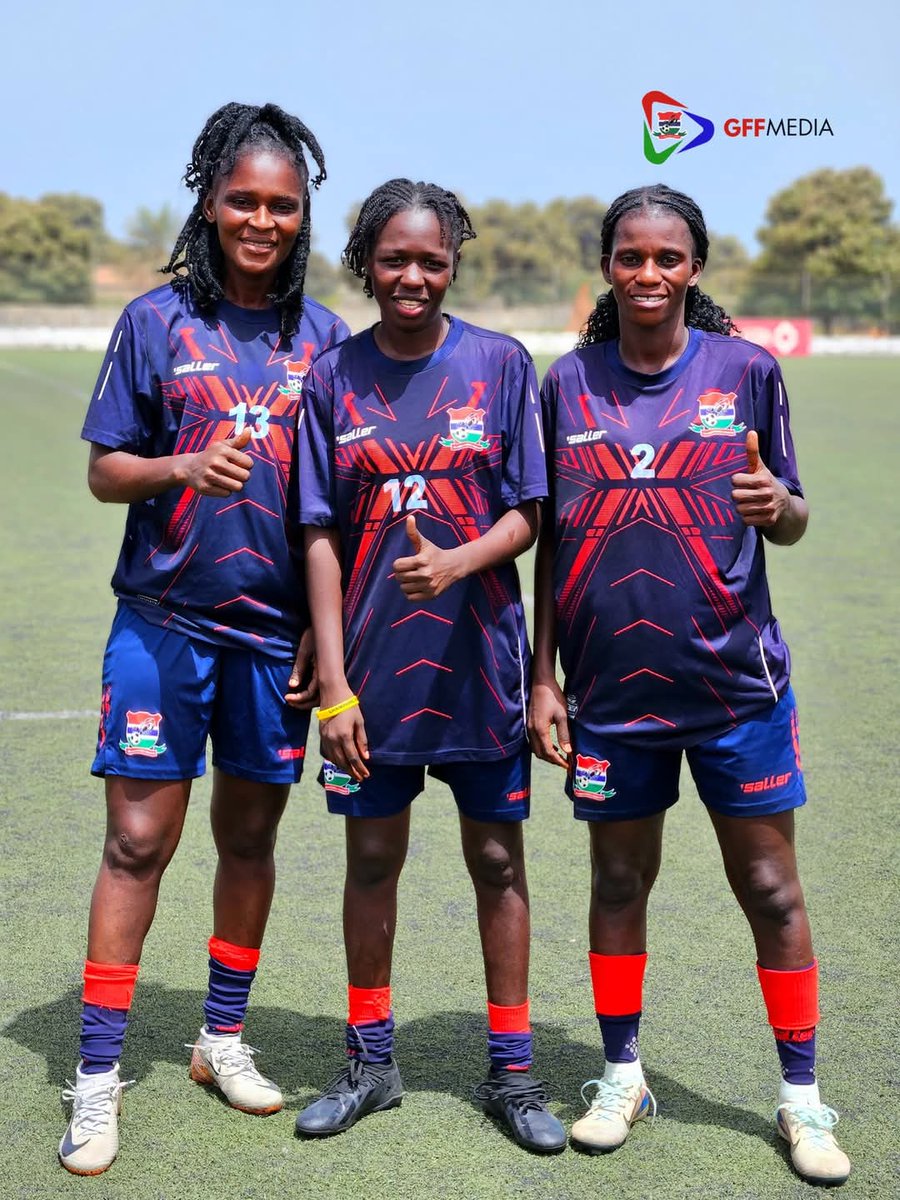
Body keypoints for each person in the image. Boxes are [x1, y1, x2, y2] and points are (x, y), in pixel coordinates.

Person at [529, 184, 850, 1184]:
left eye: (670, 257)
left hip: (734, 687)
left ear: (695, 268)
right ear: (609, 267)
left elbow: (792, 513)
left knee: (768, 884)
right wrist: (544, 676)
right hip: (610, 696)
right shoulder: (565, 385)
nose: (650, 274)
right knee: (618, 880)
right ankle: (622, 1074)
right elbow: (546, 545)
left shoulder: (747, 372)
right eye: (633, 256)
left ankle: (801, 1098)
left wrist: (775, 505)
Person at [59, 102, 349, 1176]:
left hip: (274, 644)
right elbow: (104, 473)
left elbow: (341, 512)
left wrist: (332, 644)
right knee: (138, 843)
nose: (262, 219)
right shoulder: (153, 323)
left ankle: (220, 1037)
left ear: (301, 211)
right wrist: (182, 467)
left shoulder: (324, 342)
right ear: (210, 203)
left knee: (250, 843)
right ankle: (95, 1084)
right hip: (162, 626)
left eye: (282, 203)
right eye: (244, 200)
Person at [293, 178, 565, 1154]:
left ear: (455, 262)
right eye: (395, 259)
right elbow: (318, 538)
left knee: (498, 861)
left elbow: (532, 514)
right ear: (366, 262)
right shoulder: (330, 379)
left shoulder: (500, 366)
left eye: (432, 259)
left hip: (480, 667)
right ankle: (370, 1060)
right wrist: (333, 686)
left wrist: (455, 562)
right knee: (372, 860)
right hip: (370, 680)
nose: (414, 276)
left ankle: (514, 1071)